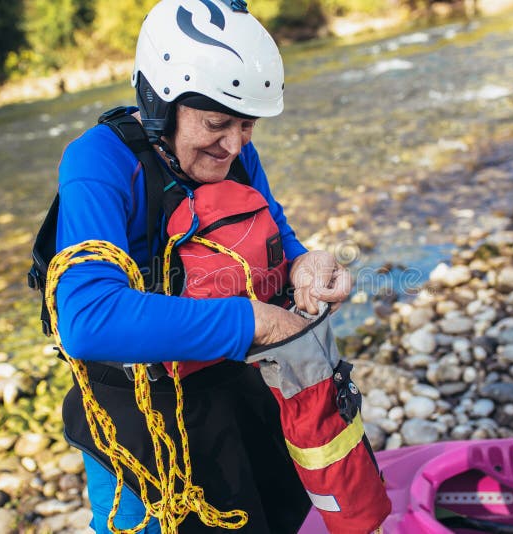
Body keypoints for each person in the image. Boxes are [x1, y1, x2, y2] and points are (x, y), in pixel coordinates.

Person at [52, 0, 351, 532]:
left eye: (248, 124)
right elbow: (88, 320)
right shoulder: (97, 162)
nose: (235, 144)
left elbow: (277, 237)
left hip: (232, 387)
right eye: (216, 123)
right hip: (137, 413)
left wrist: (308, 264)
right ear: (158, 103)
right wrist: (255, 321)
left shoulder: (232, 154)